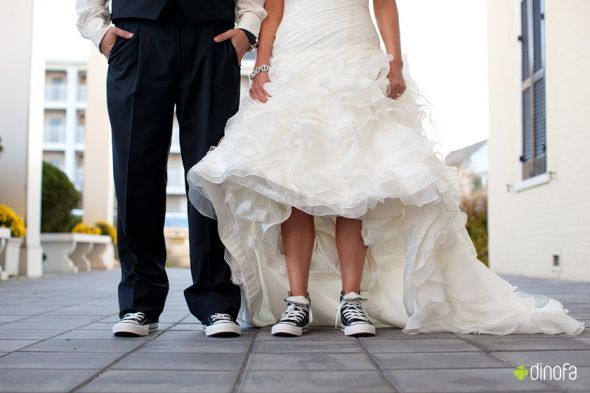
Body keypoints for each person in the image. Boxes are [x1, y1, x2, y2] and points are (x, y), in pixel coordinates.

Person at [187, 0, 585, 338]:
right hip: (297, 59)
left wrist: (393, 63)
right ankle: (297, 302)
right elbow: (273, 9)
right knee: (294, 183)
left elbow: (384, 3)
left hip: (353, 58)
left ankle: (352, 301)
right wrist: (262, 66)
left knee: (353, 182)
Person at [76, 0, 266, 337]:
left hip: (212, 37)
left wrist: (247, 30)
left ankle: (217, 301)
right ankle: (138, 301)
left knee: (211, 173)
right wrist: (100, 32)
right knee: (135, 171)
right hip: (136, 38)